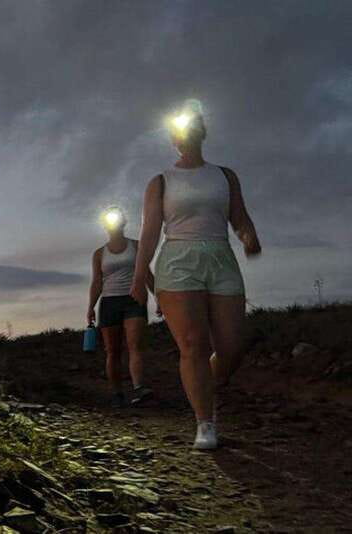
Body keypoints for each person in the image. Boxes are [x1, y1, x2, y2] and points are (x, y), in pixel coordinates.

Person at [130, 102, 261, 449]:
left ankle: (201, 385)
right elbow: (150, 233)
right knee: (193, 345)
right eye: (179, 129)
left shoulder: (224, 175)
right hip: (178, 261)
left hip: (220, 257)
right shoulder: (161, 181)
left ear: (202, 132)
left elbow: (239, 217)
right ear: (173, 137)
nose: (185, 134)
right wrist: (140, 280)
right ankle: (205, 421)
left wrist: (249, 237)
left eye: (192, 127)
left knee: (231, 347)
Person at [87, 207, 158, 408]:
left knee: (135, 345)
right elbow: (97, 282)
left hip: (134, 299)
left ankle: (138, 388)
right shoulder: (99, 254)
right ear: (105, 226)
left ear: (123, 223)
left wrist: (159, 298)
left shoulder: (137, 246)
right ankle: (117, 394)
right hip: (109, 302)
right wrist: (91, 307)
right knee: (113, 351)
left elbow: (147, 275)